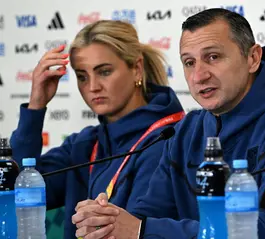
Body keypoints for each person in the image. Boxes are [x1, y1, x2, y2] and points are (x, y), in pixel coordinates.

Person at [72, 9, 265, 239]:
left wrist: (139, 230)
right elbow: (147, 214)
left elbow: (264, 230)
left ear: (252, 58)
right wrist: (111, 222)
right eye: (189, 62)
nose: (199, 76)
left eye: (213, 57)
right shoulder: (185, 131)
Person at [9, 20, 184, 239]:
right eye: (82, 76)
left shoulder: (171, 139)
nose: (92, 87)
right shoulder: (83, 144)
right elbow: (15, 189)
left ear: (136, 69)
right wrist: (35, 107)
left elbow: (140, 227)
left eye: (104, 72)